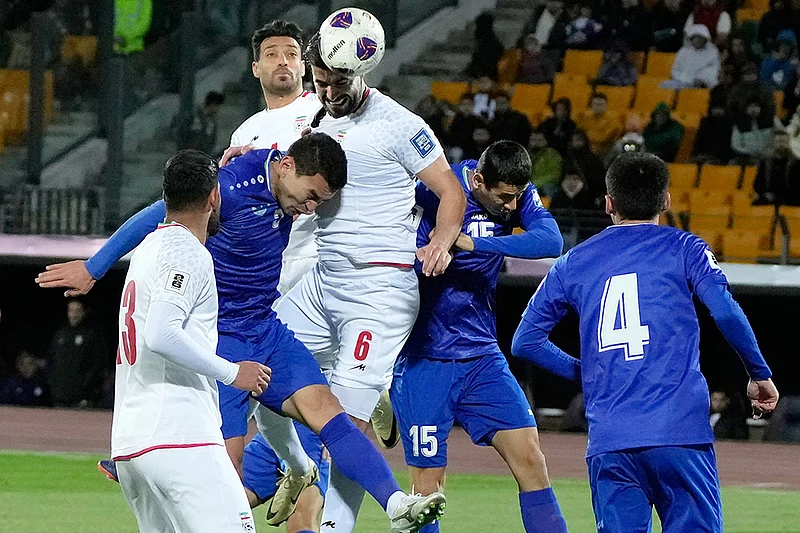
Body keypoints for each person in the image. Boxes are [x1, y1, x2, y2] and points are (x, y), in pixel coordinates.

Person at [40, 136, 447, 533]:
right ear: (287, 168)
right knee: (225, 479)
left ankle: (396, 505)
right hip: (221, 343)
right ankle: (288, 473)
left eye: (318, 203)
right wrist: (95, 268)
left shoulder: (282, 161)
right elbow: (158, 214)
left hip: (265, 329)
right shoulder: (230, 188)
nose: (309, 209)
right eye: (309, 196)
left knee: (327, 409)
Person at [260, 30, 467, 533]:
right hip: (322, 279)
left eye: (338, 83)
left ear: (363, 73)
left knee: (345, 425)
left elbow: (450, 191)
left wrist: (440, 241)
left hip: (378, 292)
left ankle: (335, 529)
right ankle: (296, 464)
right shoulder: (315, 119)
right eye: (321, 81)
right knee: (256, 362)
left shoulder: (401, 124)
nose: (328, 92)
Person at [512, 151, 779, 532]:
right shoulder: (686, 248)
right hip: (680, 433)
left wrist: (588, 374)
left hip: (611, 439)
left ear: (608, 203)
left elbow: (526, 341)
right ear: (666, 201)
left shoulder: (574, 261)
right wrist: (759, 373)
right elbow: (725, 311)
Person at [391, 141, 567, 533]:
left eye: (516, 197)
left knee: (532, 461)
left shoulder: (514, 192)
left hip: (481, 356)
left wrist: (473, 243)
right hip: (423, 359)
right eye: (504, 198)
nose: (511, 207)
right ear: (479, 180)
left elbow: (551, 242)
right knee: (426, 493)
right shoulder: (435, 187)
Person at [110, 149, 268, 533]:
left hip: (132, 443)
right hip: (179, 436)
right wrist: (233, 373)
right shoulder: (186, 252)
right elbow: (161, 333)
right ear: (215, 196)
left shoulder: (147, 250)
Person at [46, 298, 105, 408]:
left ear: (84, 312)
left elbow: (97, 364)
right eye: (71, 310)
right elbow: (50, 361)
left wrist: (86, 386)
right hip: (59, 397)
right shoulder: (60, 335)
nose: (74, 314)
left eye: (77, 311)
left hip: (81, 398)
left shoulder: (90, 336)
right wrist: (53, 385)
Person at [663, 24, 720, 89]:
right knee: (664, 86)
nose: (697, 40)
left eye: (700, 37)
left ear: (705, 38)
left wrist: (701, 80)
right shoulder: (684, 51)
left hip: (701, 85)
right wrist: (683, 79)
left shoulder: (712, 52)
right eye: (695, 37)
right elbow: (676, 69)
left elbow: (712, 71)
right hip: (681, 82)